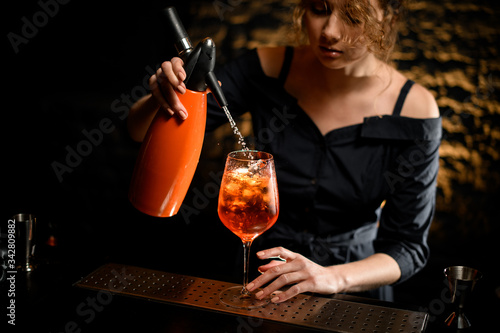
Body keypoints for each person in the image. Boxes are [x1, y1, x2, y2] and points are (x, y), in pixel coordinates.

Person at [127, 0, 441, 302]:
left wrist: (331, 277)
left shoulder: (414, 110)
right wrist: (162, 96)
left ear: (387, 18)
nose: (329, 30)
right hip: (261, 272)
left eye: (354, 16)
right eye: (319, 9)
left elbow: (408, 249)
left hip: (354, 285)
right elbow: (139, 134)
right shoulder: (265, 67)